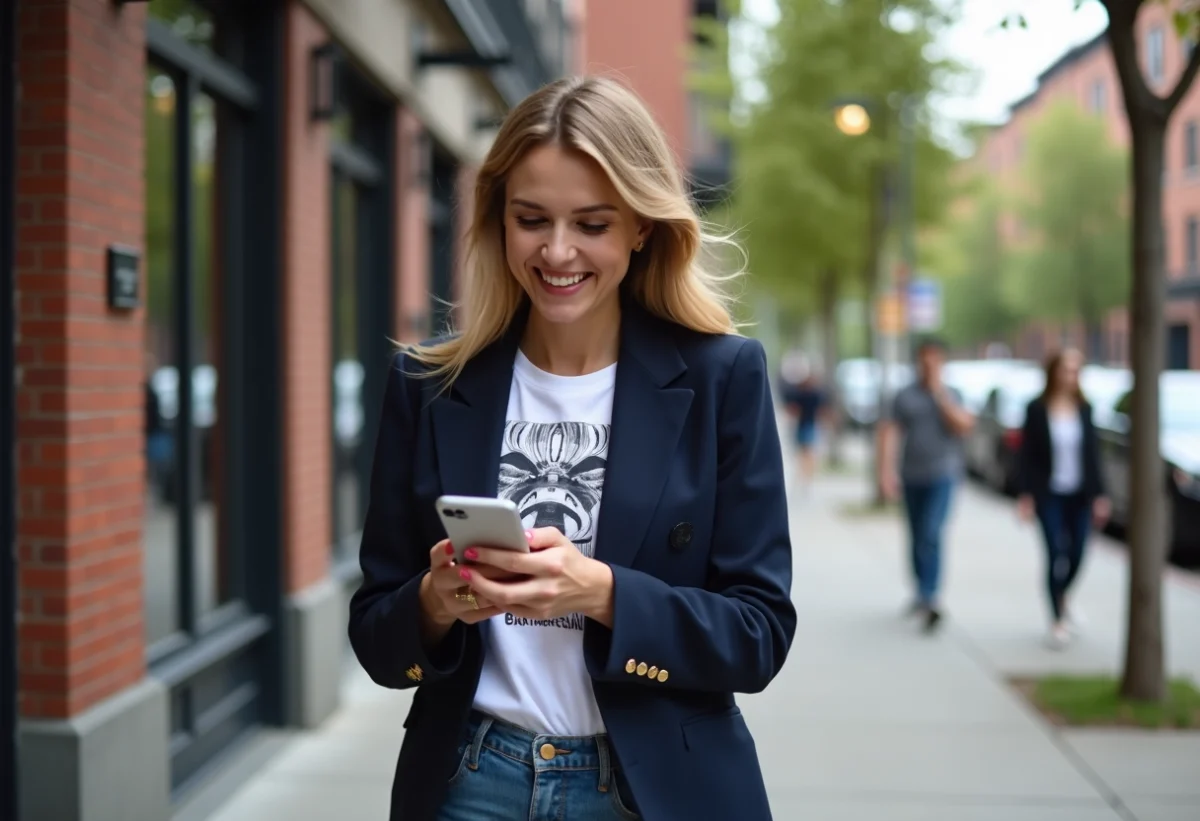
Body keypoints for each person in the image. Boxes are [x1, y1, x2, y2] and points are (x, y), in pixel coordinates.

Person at [348, 76, 796, 821]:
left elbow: (758, 633)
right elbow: (374, 636)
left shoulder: (724, 377)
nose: (558, 252)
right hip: (468, 780)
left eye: (592, 223)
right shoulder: (427, 384)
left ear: (641, 226)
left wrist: (602, 593)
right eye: (532, 219)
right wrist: (434, 601)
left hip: (650, 792)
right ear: (498, 219)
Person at [877, 338, 974, 632]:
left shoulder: (952, 393)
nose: (929, 365)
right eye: (924, 360)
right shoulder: (904, 395)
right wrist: (885, 472)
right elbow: (890, 432)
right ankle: (921, 590)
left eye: (935, 360)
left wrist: (940, 395)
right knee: (917, 534)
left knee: (932, 532)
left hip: (943, 474)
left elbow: (964, 426)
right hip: (912, 475)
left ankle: (931, 597)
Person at [1016, 348, 1110, 650]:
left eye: (1075, 370)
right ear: (1053, 372)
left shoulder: (1085, 408)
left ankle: (1063, 596)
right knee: (1055, 551)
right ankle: (1056, 619)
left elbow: (1093, 456)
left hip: (1079, 494)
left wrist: (1100, 496)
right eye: (1065, 369)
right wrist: (1025, 495)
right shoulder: (1036, 408)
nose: (1070, 375)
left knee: (1078, 553)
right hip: (1048, 494)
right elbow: (1026, 456)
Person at [783, 366, 826, 488]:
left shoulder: (806, 394)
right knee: (807, 451)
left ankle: (805, 474)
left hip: (805, 425)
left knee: (805, 452)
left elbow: (793, 409)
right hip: (807, 424)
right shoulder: (811, 394)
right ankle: (806, 474)